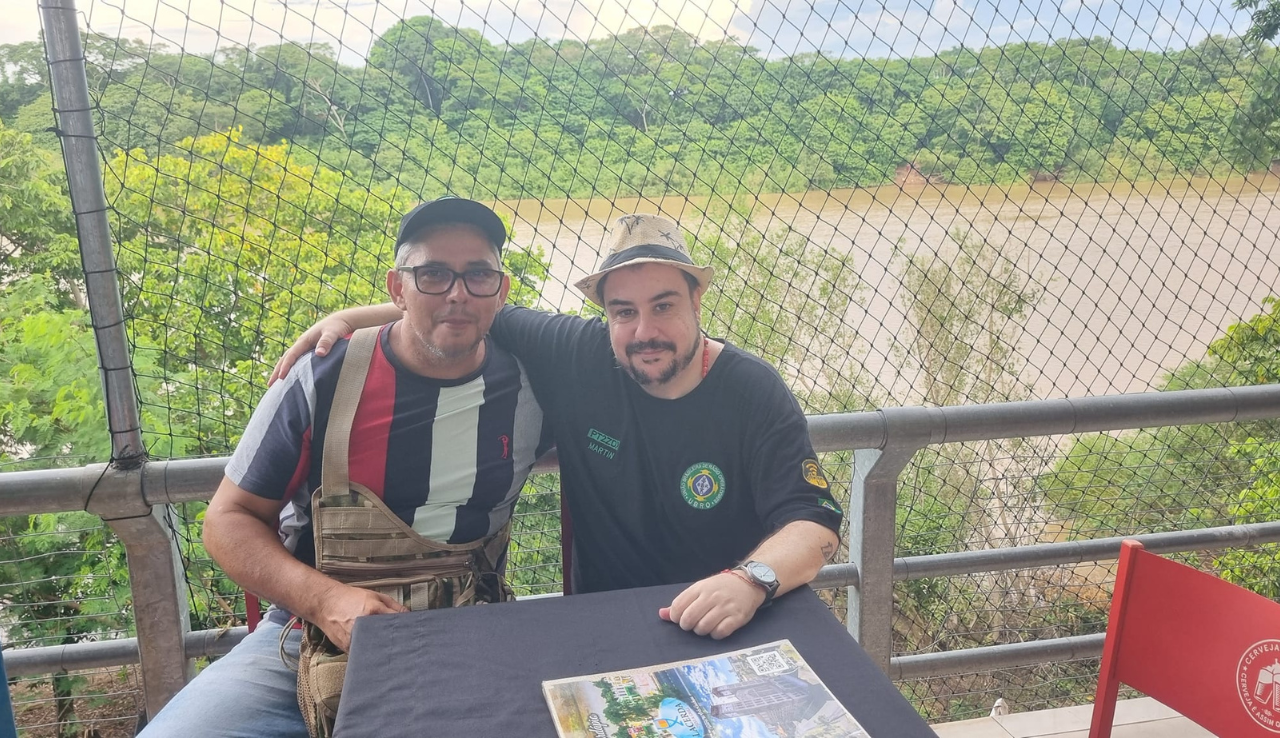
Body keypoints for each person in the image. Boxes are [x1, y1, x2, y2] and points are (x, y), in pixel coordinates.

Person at [275, 213, 843, 642]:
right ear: (605, 314)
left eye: (664, 306)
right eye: (623, 312)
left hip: (732, 619)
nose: (644, 330)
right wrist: (346, 320)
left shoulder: (751, 389)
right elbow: (463, 308)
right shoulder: (577, 355)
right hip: (606, 623)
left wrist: (749, 581)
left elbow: (813, 520)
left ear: (697, 299)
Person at [141, 198, 547, 737]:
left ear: (502, 290)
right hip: (308, 634)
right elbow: (226, 520)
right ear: (397, 288)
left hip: (473, 625)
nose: (457, 293)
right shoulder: (324, 377)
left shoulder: (535, 384)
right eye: (432, 274)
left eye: (478, 274)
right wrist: (327, 601)